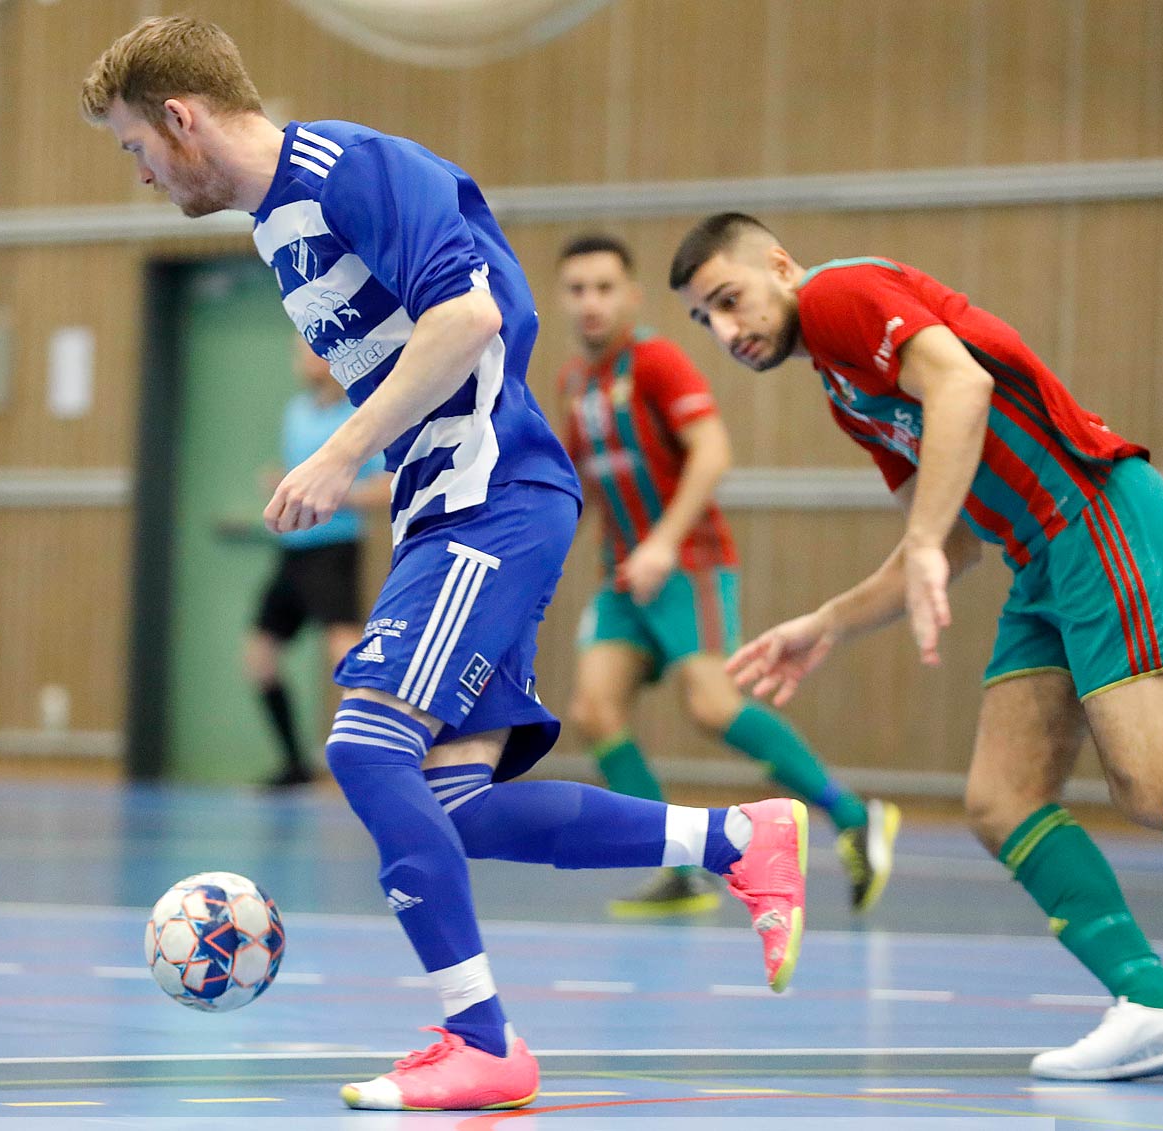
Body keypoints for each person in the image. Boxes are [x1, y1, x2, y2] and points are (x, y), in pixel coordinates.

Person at [82, 19, 807, 1112]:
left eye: (135, 146)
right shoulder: (275, 226)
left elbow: (471, 314)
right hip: (449, 512)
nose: (137, 173)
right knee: (454, 800)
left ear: (181, 119)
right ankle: (736, 839)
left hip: (494, 499)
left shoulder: (349, 168)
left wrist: (338, 451)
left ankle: (482, 1040)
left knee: (368, 745)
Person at [669, 212, 1163, 1082]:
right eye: (707, 320)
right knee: (1000, 800)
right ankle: (1151, 1004)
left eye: (730, 301)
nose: (727, 331)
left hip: (1096, 510)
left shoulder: (841, 296)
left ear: (779, 265)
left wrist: (921, 541)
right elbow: (951, 542)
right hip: (1041, 558)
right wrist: (828, 621)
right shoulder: (844, 390)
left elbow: (962, 389)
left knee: (1157, 783)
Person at [554, 233, 900, 917]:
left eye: (604, 287)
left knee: (712, 704)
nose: (591, 302)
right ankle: (678, 867)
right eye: (576, 289)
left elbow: (712, 452)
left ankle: (852, 812)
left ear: (632, 296)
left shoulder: (656, 361)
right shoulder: (574, 381)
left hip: (689, 562)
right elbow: (585, 486)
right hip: (624, 577)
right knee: (593, 710)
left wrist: (662, 542)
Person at [246, 339, 389, 788]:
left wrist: (332, 494)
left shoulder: (358, 418)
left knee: (346, 653)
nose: (303, 360)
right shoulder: (295, 414)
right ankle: (295, 762)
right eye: (297, 352)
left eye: (311, 350)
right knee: (259, 657)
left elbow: (385, 488)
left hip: (334, 552)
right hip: (292, 554)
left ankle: (382, 756)